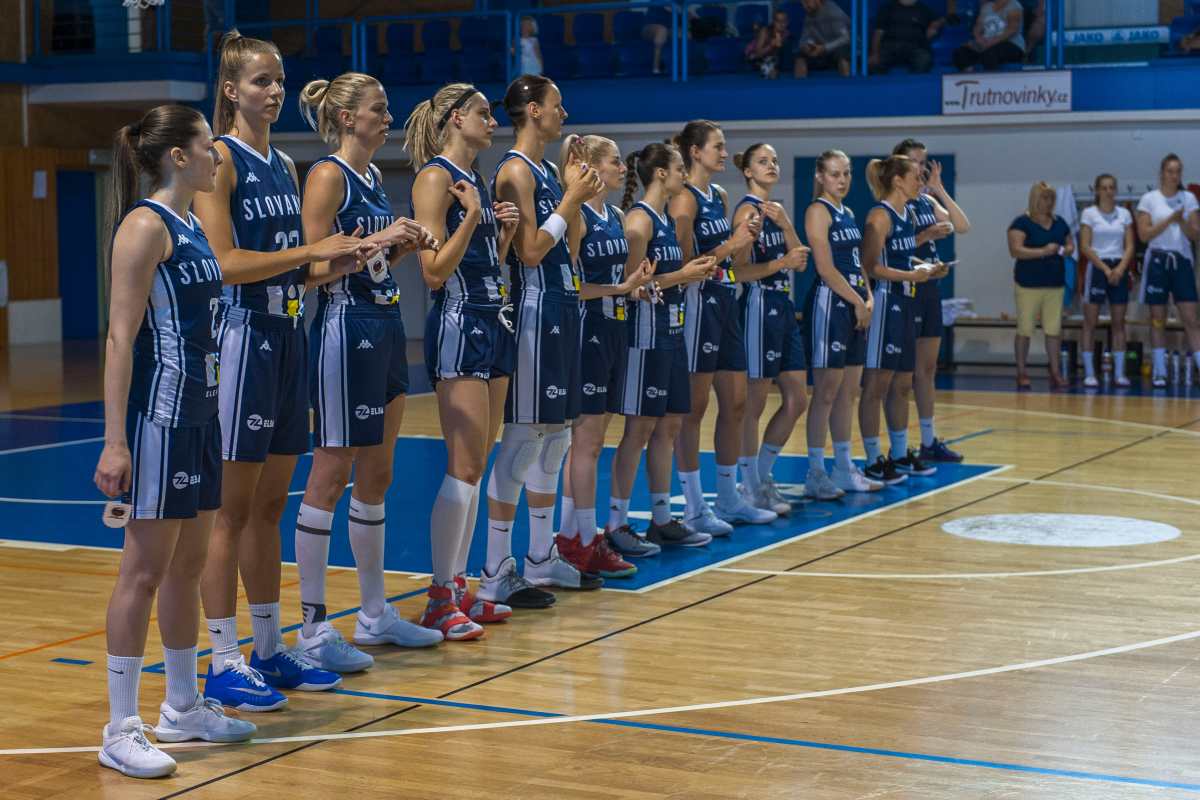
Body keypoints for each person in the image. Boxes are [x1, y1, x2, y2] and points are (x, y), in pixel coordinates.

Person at [192, 31, 361, 712]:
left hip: (289, 332)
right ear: (231, 89)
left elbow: (298, 269)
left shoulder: (285, 163)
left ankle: (266, 648)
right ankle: (222, 658)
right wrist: (311, 253)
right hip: (242, 336)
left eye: (281, 80)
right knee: (229, 512)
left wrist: (347, 257)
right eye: (262, 81)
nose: (275, 91)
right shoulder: (219, 159)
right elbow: (223, 263)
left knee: (268, 507)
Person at [94, 104, 255, 778]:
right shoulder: (144, 226)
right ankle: (120, 727)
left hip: (203, 416)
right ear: (178, 157)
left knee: (189, 567)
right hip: (160, 420)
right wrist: (115, 442)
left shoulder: (193, 227)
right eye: (208, 146)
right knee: (143, 571)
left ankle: (183, 706)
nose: (218, 156)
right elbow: (119, 338)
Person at [293, 72, 445, 666]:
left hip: (384, 324)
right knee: (330, 475)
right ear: (347, 117)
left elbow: (368, 260)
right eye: (378, 110)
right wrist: (382, 237)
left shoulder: (374, 177)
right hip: (342, 328)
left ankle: (375, 614)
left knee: (378, 474)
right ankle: (311, 628)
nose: (388, 118)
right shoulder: (326, 176)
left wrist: (403, 244)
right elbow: (310, 269)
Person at [478, 75, 606, 611]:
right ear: (532, 110)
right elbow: (529, 251)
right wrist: (571, 197)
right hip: (532, 309)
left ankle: (540, 555)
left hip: (562, 301)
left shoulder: (548, 172)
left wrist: (575, 195)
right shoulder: (513, 171)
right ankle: (495, 570)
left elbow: (568, 248)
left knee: (556, 438)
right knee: (524, 439)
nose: (564, 114)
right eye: (557, 105)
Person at [404, 83, 522, 634]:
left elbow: (478, 263)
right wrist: (473, 216)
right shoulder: (435, 178)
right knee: (464, 464)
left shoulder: (474, 178)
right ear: (455, 118)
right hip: (459, 321)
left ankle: (458, 587)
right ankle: (438, 596)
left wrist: (502, 236)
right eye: (483, 113)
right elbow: (432, 272)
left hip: (492, 317)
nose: (492, 121)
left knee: (479, 462)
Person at [555, 134, 657, 570]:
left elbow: (621, 281)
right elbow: (571, 287)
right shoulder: (576, 215)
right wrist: (618, 288)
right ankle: (583, 539)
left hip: (616, 327)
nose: (622, 168)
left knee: (591, 442)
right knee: (587, 442)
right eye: (615, 160)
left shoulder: (614, 215)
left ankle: (570, 536)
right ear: (592, 166)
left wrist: (637, 288)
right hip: (588, 329)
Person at [608, 142, 716, 548]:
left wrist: (692, 273)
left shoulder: (667, 219)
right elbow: (630, 285)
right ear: (660, 173)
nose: (684, 174)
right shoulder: (639, 221)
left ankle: (661, 518)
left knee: (669, 426)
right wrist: (682, 275)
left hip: (672, 332)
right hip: (645, 335)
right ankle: (616, 525)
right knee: (638, 430)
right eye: (679, 168)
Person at [670, 120, 774, 537]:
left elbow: (734, 259)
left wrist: (746, 240)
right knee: (693, 410)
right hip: (699, 304)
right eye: (717, 146)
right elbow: (683, 264)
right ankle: (694, 507)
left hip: (727, 300)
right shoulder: (684, 198)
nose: (724, 153)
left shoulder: (721, 195)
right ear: (695, 151)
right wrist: (731, 244)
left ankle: (729, 498)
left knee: (736, 403)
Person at [730, 143, 810, 514]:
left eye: (775, 160)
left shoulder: (776, 211)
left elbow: (800, 261)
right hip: (758, 304)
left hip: (783, 305)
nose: (772, 165)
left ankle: (761, 475)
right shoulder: (746, 211)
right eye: (763, 161)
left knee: (797, 399)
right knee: (754, 403)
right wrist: (780, 263)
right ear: (748, 171)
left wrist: (787, 225)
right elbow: (737, 271)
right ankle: (749, 485)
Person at [858, 155, 944, 487]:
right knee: (876, 384)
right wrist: (911, 275)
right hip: (885, 300)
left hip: (907, 300)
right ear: (898, 181)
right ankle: (872, 459)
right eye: (916, 177)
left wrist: (926, 268)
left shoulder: (908, 213)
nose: (920, 183)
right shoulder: (879, 215)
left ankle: (898, 452)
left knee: (903, 384)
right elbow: (870, 266)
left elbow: (901, 255)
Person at [892, 138, 971, 463]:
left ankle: (928, 440)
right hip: (905, 289)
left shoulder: (925, 200)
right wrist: (925, 236)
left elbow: (962, 225)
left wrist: (938, 189)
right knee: (902, 376)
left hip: (929, 289)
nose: (921, 167)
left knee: (927, 369)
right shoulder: (894, 203)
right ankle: (898, 447)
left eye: (924, 161)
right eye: (914, 161)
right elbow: (889, 249)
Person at [803, 150, 869, 500]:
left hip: (855, 304)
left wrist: (868, 297)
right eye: (834, 174)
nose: (841, 180)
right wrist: (857, 301)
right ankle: (815, 471)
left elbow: (858, 264)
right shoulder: (818, 211)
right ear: (820, 176)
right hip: (831, 305)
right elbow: (826, 269)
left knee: (849, 392)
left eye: (846, 173)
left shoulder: (849, 212)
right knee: (826, 391)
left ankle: (843, 466)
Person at [1136, 154, 1200, 388]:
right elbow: (1144, 235)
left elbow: (1195, 234)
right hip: (1157, 262)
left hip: (1181, 261)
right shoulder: (1149, 199)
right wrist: (1170, 219)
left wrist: (1181, 221)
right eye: (1170, 171)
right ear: (1162, 173)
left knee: (1191, 319)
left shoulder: (1188, 198)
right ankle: (1160, 371)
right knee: (1157, 319)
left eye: (1178, 171)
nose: (1174, 175)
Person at [1007, 181, 1074, 390]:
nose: (1049, 202)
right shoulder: (1021, 223)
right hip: (1028, 285)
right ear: (1035, 199)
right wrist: (1043, 251)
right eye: (1045, 198)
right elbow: (1016, 250)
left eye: (1052, 198)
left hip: (1055, 285)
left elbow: (1070, 244)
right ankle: (1021, 371)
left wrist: (1066, 250)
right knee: (1025, 329)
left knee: (1054, 330)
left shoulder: (1060, 222)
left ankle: (1055, 371)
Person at [1078, 174, 1135, 388]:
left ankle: (1119, 374)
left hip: (1119, 268)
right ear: (1097, 190)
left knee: (1119, 323)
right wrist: (1105, 269)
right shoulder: (1089, 213)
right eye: (1104, 188)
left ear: (1116, 190)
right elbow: (1085, 246)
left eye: (1112, 187)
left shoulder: (1124, 214)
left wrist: (1119, 269)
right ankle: (1089, 373)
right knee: (1090, 323)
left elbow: (1130, 245)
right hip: (1097, 267)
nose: (1109, 191)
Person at [870, 0, 944, 75]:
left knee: (924, 61)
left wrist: (934, 27)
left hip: (916, 46)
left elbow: (940, 20)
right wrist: (874, 53)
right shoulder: (887, 8)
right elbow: (878, 33)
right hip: (890, 46)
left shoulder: (924, 9)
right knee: (874, 65)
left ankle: (915, 82)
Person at [953, 0, 1024, 72]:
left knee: (989, 54)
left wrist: (990, 43)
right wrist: (978, 39)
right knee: (961, 52)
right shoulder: (986, 7)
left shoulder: (1014, 5)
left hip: (1011, 44)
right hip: (986, 43)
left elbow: (1012, 29)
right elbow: (978, 26)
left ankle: (991, 78)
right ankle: (971, 75)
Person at [796, 0, 852, 78]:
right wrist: (806, 47)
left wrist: (824, 48)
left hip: (842, 49)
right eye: (802, 3)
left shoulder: (833, 12)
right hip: (823, 52)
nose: (804, 6)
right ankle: (801, 84)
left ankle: (847, 83)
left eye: (807, 1)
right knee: (800, 57)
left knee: (843, 55)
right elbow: (803, 40)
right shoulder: (809, 15)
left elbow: (846, 38)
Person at [745, 10, 794, 79]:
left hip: (770, 57)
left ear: (787, 22)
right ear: (773, 22)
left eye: (784, 21)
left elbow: (778, 53)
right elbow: (758, 53)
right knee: (754, 57)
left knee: (774, 70)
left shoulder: (786, 34)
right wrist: (771, 45)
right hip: (754, 54)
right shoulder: (765, 31)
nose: (781, 24)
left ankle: (768, 68)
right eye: (778, 21)